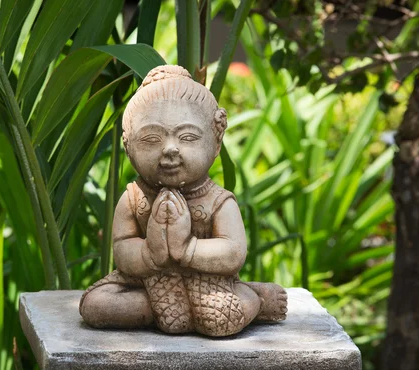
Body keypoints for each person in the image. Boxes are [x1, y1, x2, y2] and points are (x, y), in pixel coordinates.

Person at [79, 65, 287, 337]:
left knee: (218, 322)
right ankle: (164, 312)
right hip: (146, 281)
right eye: (151, 139)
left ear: (216, 141)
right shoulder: (134, 198)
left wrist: (187, 248)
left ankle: (256, 300)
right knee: (97, 306)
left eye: (187, 137)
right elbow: (121, 248)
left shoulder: (217, 201)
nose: (169, 149)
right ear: (128, 145)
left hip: (206, 283)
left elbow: (233, 251)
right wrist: (149, 253)